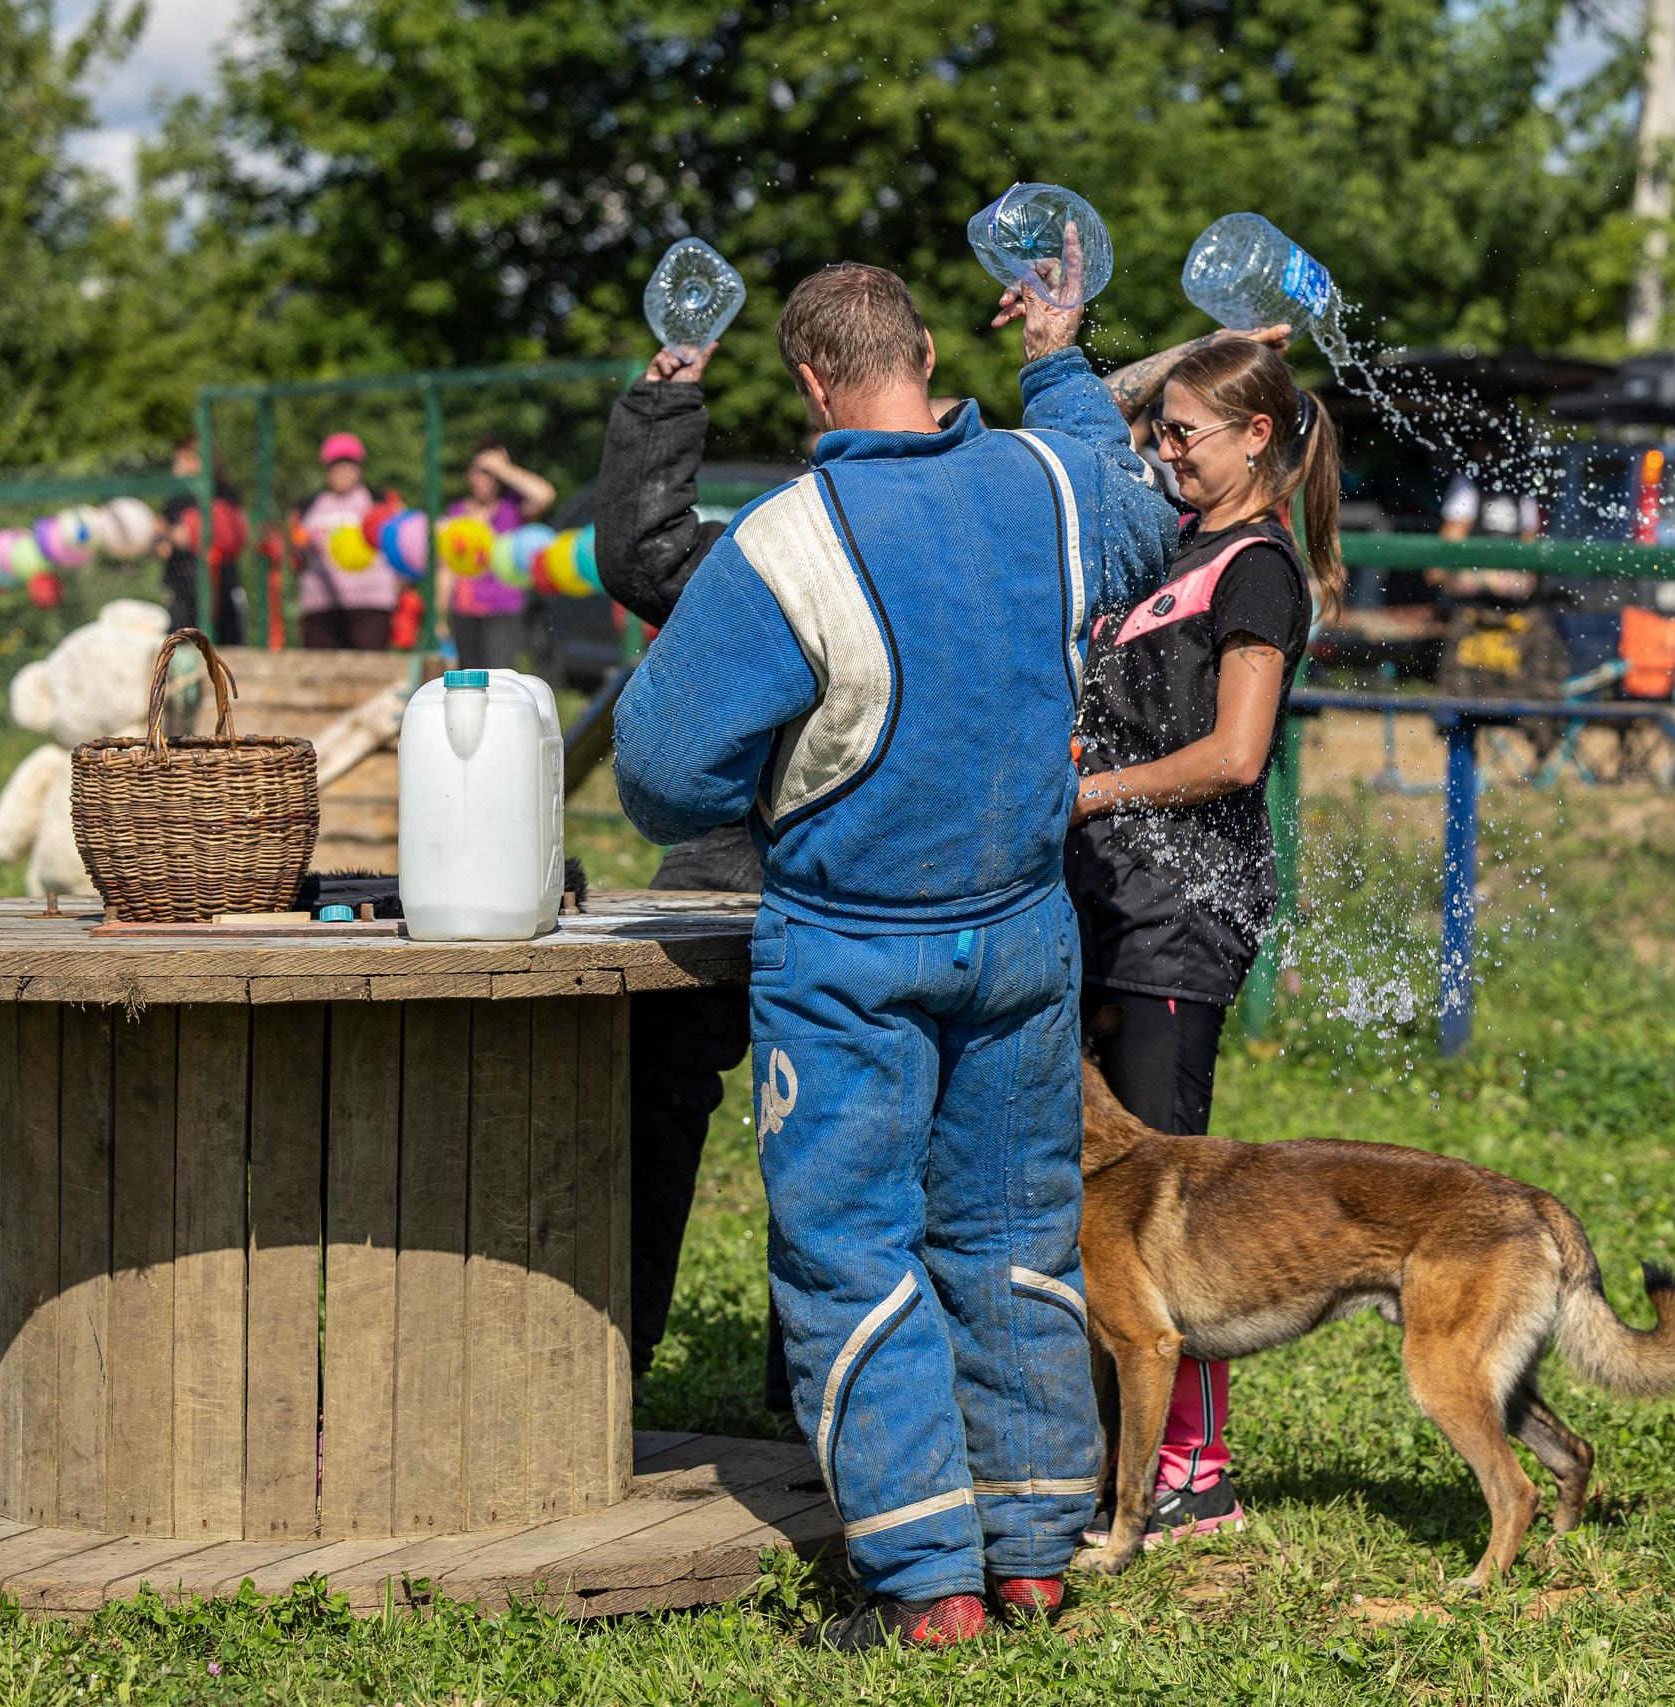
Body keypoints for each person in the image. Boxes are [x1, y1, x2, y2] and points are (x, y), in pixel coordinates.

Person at [613, 255, 1176, 1648]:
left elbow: (660, 773)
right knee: (1011, 1233)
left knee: (853, 1251)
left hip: (852, 952)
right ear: (928, 353)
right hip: (1029, 937)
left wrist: (774, 764)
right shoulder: (1052, 484)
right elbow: (1133, 511)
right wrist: (1056, 354)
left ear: (810, 379)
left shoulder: (787, 537)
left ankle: (928, 1583)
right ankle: (1037, 1545)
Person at [1063, 337, 1345, 1551]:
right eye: (1160, 429)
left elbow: (1236, 755)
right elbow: (1100, 424)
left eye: (1183, 432)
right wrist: (1165, 355)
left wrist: (1088, 793)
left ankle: (1194, 1473)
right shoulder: (1170, 545)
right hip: (1107, 910)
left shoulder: (1261, 569)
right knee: (1092, 1220)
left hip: (1178, 931)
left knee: (1165, 1223)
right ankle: (1100, 1451)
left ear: (1258, 438)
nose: (1159, 448)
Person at [589, 338, 782, 1420]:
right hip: (727, 842)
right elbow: (645, 554)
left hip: (858, 860)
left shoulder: (956, 518)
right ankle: (613, 1346)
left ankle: (813, 1388)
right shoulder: (775, 543)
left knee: (831, 1122)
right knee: (655, 1074)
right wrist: (663, 403)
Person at [446, 436, 556, 670]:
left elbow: (545, 495)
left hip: (503, 608)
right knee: (468, 682)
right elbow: (447, 567)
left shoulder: (512, 508)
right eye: (481, 472)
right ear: (469, 473)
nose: (486, 480)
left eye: (492, 475)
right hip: (464, 609)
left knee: (498, 678)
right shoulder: (456, 511)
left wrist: (503, 468)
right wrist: (439, 616)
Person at [294, 433, 398, 650]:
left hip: (369, 604)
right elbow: (296, 550)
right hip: (321, 606)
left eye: (349, 464)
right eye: (336, 465)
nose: (342, 471)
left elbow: (400, 544)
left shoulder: (378, 501)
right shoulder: (310, 505)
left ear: (360, 468)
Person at [153, 439, 249, 644]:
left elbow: (230, 534)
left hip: (221, 588)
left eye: (183, 461)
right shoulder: (176, 500)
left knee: (226, 646)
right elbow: (162, 541)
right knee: (181, 645)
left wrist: (185, 532)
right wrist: (168, 537)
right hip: (183, 589)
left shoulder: (225, 495)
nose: (177, 467)